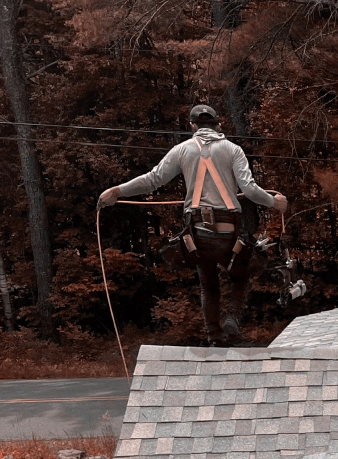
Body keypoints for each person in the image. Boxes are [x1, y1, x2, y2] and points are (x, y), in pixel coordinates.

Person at [98, 104, 288, 346]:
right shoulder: (233, 150)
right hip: (230, 231)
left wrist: (117, 190)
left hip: (198, 233)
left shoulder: (182, 150)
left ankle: (215, 336)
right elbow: (249, 189)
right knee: (240, 276)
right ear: (218, 126)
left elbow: (153, 179)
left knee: (208, 284)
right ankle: (232, 322)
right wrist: (274, 202)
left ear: (193, 126)